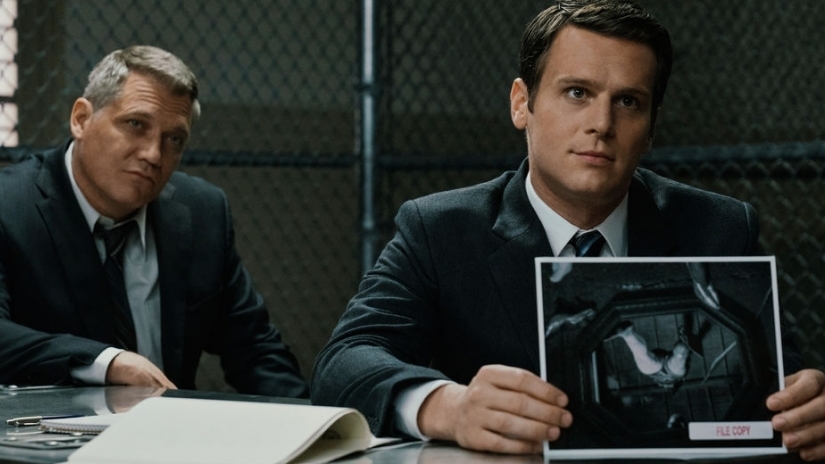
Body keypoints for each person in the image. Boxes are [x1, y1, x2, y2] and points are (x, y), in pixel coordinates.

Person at [311, 1, 825, 460]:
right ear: (522, 103)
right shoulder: (441, 229)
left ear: (651, 126)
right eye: (577, 92)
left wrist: (808, 409)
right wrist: (449, 406)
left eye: (628, 102)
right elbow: (344, 363)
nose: (602, 123)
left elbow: (782, 388)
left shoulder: (719, 228)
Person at [0, 45, 309, 398]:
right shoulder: (10, 205)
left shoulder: (202, 213)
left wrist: (316, 423)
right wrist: (108, 363)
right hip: (44, 428)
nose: (153, 154)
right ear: (81, 119)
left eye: (174, 139)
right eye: (136, 125)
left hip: (166, 428)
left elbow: (256, 352)